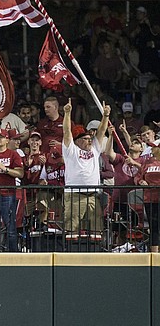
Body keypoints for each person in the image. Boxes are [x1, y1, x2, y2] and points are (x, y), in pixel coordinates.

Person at [62, 99, 109, 237]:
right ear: (77, 141)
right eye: (86, 139)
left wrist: (105, 116)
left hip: (93, 195)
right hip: (75, 194)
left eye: (90, 138)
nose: (90, 141)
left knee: (96, 230)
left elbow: (101, 131)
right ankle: (70, 256)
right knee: (72, 230)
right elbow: (66, 132)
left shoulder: (95, 149)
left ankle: (96, 255)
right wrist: (67, 114)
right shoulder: (71, 150)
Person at [136, 146, 160, 252]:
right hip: (150, 199)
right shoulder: (147, 163)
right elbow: (138, 176)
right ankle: (154, 255)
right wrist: (141, 181)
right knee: (153, 227)